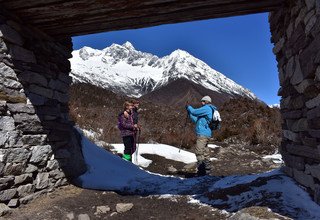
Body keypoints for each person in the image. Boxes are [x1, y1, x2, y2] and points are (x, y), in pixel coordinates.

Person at [186, 96, 217, 176]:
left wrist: (189, 107)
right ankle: (207, 170)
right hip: (206, 133)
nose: (201, 102)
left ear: (206, 101)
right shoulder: (208, 110)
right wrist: (190, 113)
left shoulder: (206, 108)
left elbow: (194, 111)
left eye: (202, 101)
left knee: (199, 151)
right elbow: (196, 120)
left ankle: (202, 171)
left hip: (203, 134)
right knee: (205, 152)